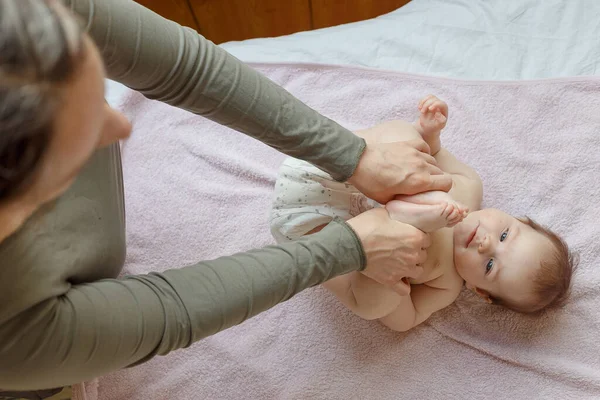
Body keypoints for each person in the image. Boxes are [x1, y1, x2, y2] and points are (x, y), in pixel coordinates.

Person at [0, 0, 454, 392]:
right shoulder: (15, 338)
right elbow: (170, 312)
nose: (121, 126)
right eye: (73, 135)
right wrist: (349, 248)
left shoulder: (22, 15)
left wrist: (353, 156)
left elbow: (187, 69)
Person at [271, 95, 576, 332]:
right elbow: (433, 154)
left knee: (375, 305)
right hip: (330, 171)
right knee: (406, 138)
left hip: (314, 231)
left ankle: (402, 222)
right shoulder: (469, 185)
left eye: (490, 265)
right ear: (518, 218)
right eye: (505, 234)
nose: (485, 244)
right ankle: (405, 212)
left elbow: (407, 318)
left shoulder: (446, 284)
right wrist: (429, 134)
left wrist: (397, 278)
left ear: (481, 291)